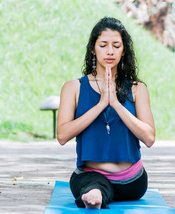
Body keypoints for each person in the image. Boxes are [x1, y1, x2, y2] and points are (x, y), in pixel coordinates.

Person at [57, 17, 155, 209]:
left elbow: (149, 138)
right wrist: (100, 105)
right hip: (90, 176)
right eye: (103, 45)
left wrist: (116, 104)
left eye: (116, 45)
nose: (110, 51)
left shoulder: (137, 89)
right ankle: (96, 194)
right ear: (93, 49)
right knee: (93, 185)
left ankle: (96, 195)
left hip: (132, 182)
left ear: (123, 50)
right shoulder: (73, 88)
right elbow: (62, 135)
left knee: (96, 189)